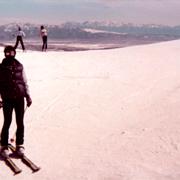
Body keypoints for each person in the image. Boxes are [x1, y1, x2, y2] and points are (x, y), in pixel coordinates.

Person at [0, 45, 32, 158]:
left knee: (20, 122)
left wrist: (28, 96)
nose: (9, 55)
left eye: (11, 53)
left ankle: (20, 145)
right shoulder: (1, 67)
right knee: (7, 121)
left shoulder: (20, 66)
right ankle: (3, 146)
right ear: (4, 54)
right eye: (7, 53)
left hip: (19, 98)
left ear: (14, 53)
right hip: (7, 98)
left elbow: (25, 82)